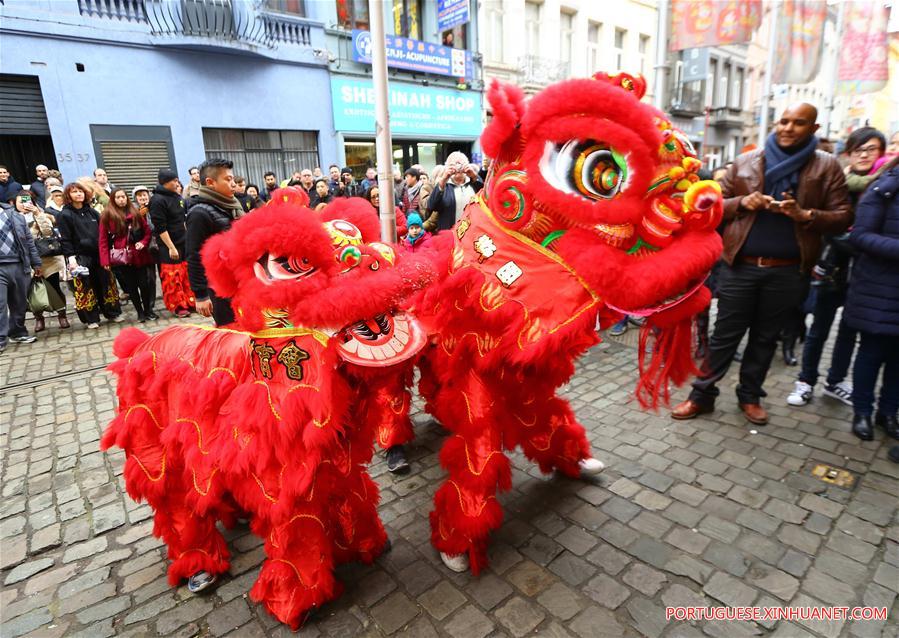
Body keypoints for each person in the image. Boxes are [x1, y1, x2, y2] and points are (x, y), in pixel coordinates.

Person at [671, 103, 852, 426]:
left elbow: (843, 217)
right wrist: (742, 202)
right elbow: (711, 207)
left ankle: (750, 396)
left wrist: (806, 215)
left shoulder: (827, 166)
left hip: (788, 269)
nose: (788, 128)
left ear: (813, 128)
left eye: (799, 123)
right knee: (725, 334)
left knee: (765, 337)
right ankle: (701, 395)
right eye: (784, 120)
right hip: (741, 265)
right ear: (775, 122)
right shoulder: (744, 161)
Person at [787, 127, 887, 407]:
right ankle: (806, 381)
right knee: (819, 329)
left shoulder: (885, 188)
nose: (865, 155)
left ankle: (835, 382)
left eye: (871, 149)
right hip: (831, 268)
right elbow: (828, 226)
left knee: (848, 333)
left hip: (867, 276)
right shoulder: (838, 184)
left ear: (881, 153)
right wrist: (863, 240)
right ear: (849, 154)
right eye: (859, 150)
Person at [843, 156, 899, 442]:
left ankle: (888, 413)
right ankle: (862, 411)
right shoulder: (885, 187)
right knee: (871, 353)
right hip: (879, 287)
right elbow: (860, 236)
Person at [186, 158, 243, 327]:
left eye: (233, 179)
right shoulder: (199, 213)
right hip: (220, 287)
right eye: (228, 179)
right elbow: (194, 255)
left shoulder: (232, 207)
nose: (233, 184)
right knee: (231, 330)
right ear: (210, 182)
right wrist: (201, 295)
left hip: (241, 280)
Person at [57, 182, 123, 328]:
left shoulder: (92, 212)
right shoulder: (65, 215)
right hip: (80, 257)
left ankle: (112, 313)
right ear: (68, 195)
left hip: (99, 254)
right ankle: (91, 319)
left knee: (106, 283)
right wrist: (71, 258)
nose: (78, 194)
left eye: (81, 191)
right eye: (74, 192)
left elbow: (105, 233)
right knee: (86, 287)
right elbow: (65, 239)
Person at [99, 189, 156, 322]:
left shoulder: (135, 212)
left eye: (123, 197)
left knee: (144, 284)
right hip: (122, 256)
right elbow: (103, 240)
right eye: (118, 197)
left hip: (139, 254)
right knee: (132, 286)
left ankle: (148, 310)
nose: (121, 200)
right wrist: (105, 260)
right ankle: (140, 312)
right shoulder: (107, 215)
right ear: (113, 199)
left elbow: (147, 232)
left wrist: (143, 242)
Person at [18, 191, 69, 332]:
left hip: (46, 260)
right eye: (20, 201)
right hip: (26, 262)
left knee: (55, 288)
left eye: (26, 200)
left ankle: (62, 315)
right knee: (32, 291)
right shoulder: (14, 218)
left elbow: (47, 232)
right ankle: (39, 318)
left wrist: (37, 214)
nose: (24, 204)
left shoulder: (42, 215)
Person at [150, 168, 194, 318]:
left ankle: (189, 300)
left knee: (186, 273)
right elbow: (160, 227)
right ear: (165, 182)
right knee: (172, 276)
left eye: (177, 180)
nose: (177, 183)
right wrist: (171, 247)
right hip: (168, 245)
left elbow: (182, 220)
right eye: (174, 181)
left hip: (183, 241)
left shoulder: (177, 197)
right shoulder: (157, 200)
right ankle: (178, 305)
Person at [0, 197, 42, 351]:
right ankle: (1, 338)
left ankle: (17, 332)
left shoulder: (13, 214)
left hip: (19, 264)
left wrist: (36, 263)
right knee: (0, 304)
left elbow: (29, 241)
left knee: (19, 302)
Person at [426, 151, 484, 230]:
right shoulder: (444, 186)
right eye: (452, 165)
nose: (457, 167)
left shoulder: (474, 183)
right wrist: (443, 179)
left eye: (460, 163)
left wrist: (474, 177)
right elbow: (431, 206)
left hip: (472, 233)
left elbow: (486, 198)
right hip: (450, 234)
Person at [421, 165, 444, 232]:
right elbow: (426, 205)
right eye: (441, 175)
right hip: (430, 222)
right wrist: (437, 192)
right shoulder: (426, 187)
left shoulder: (447, 187)